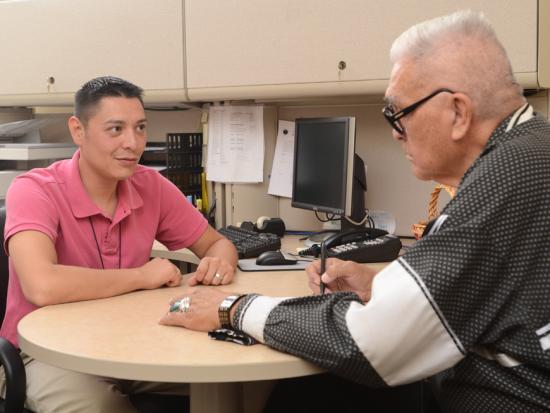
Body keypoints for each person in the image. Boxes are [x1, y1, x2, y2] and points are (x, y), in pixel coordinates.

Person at [160, 10, 550, 413]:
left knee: (306, 399)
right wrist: (377, 291)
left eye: (398, 114)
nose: (395, 133)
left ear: (457, 113)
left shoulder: (506, 178)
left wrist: (233, 309)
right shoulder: (530, 151)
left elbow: (371, 344)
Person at [0, 76, 238, 412]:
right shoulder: (34, 190)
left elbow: (217, 244)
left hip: (131, 338)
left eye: (140, 128)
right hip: (47, 351)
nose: (133, 143)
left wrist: (219, 263)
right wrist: (141, 277)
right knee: (98, 407)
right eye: (116, 129)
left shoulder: (150, 185)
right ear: (77, 130)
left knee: (236, 377)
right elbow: (42, 286)